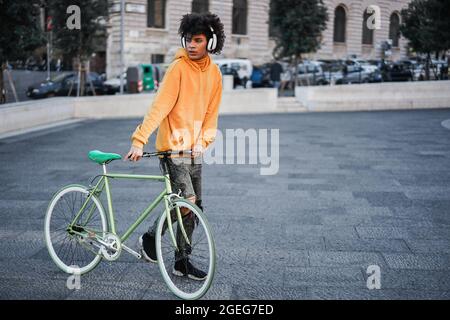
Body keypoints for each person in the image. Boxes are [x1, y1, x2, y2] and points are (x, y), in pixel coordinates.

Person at [125, 12, 225, 280]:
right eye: (188, 40)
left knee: (193, 208)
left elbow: (211, 115)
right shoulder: (177, 69)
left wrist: (203, 142)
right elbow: (160, 107)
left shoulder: (215, 73)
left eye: (198, 40)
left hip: (194, 149)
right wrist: (139, 139)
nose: (191, 45)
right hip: (172, 149)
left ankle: (180, 260)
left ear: (210, 42)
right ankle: (155, 240)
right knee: (187, 201)